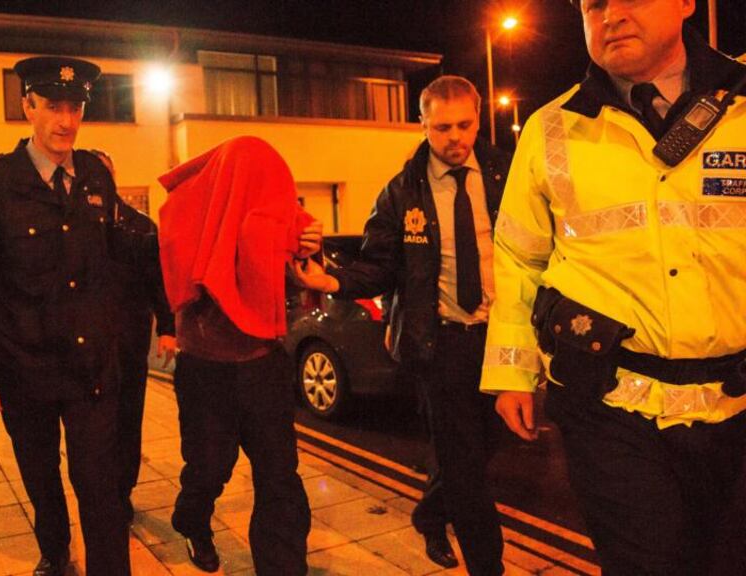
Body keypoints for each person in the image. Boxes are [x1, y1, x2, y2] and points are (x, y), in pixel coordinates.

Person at [482, 1, 746, 573]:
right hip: (610, 406)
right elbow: (519, 258)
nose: (612, 15)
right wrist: (511, 375)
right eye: (594, 3)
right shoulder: (551, 127)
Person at [295, 75, 511, 575]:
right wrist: (331, 279)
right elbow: (378, 266)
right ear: (423, 124)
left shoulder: (506, 173)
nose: (455, 138)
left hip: (502, 339)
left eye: (464, 125)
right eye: (442, 128)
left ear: (479, 118)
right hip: (441, 344)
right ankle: (489, 567)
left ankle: (430, 513)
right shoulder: (401, 191)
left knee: (483, 451)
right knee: (467, 472)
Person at [0, 56, 148, 576]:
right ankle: (55, 553)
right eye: (53, 106)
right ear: (27, 106)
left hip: (92, 371)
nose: (66, 120)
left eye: (75, 107)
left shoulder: (97, 172)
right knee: (41, 478)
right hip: (24, 370)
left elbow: (119, 262)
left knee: (100, 486)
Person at [159, 136, 318, 575]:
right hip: (205, 371)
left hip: (263, 365)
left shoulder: (268, 218)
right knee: (209, 468)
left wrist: (306, 245)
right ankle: (191, 520)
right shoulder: (186, 214)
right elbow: (170, 276)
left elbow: (298, 263)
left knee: (279, 477)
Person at [89, 150, 179, 525]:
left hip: (128, 340)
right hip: (85, 344)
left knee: (127, 417)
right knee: (93, 423)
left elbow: (158, 281)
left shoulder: (139, 226)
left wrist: (169, 328)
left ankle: (121, 491)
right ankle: (98, 491)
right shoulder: (72, 225)